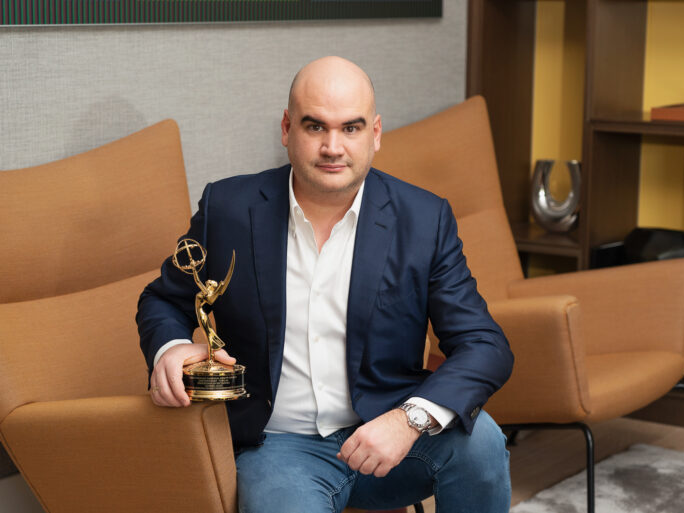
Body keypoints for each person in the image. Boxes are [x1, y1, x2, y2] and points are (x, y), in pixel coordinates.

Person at [136, 56, 514, 513]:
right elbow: (164, 299)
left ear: (375, 133)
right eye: (315, 127)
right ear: (286, 128)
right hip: (278, 446)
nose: (333, 147)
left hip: (391, 434)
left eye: (351, 128)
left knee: (482, 443)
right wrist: (171, 347)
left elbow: (484, 344)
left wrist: (408, 420)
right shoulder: (229, 208)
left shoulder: (423, 219)